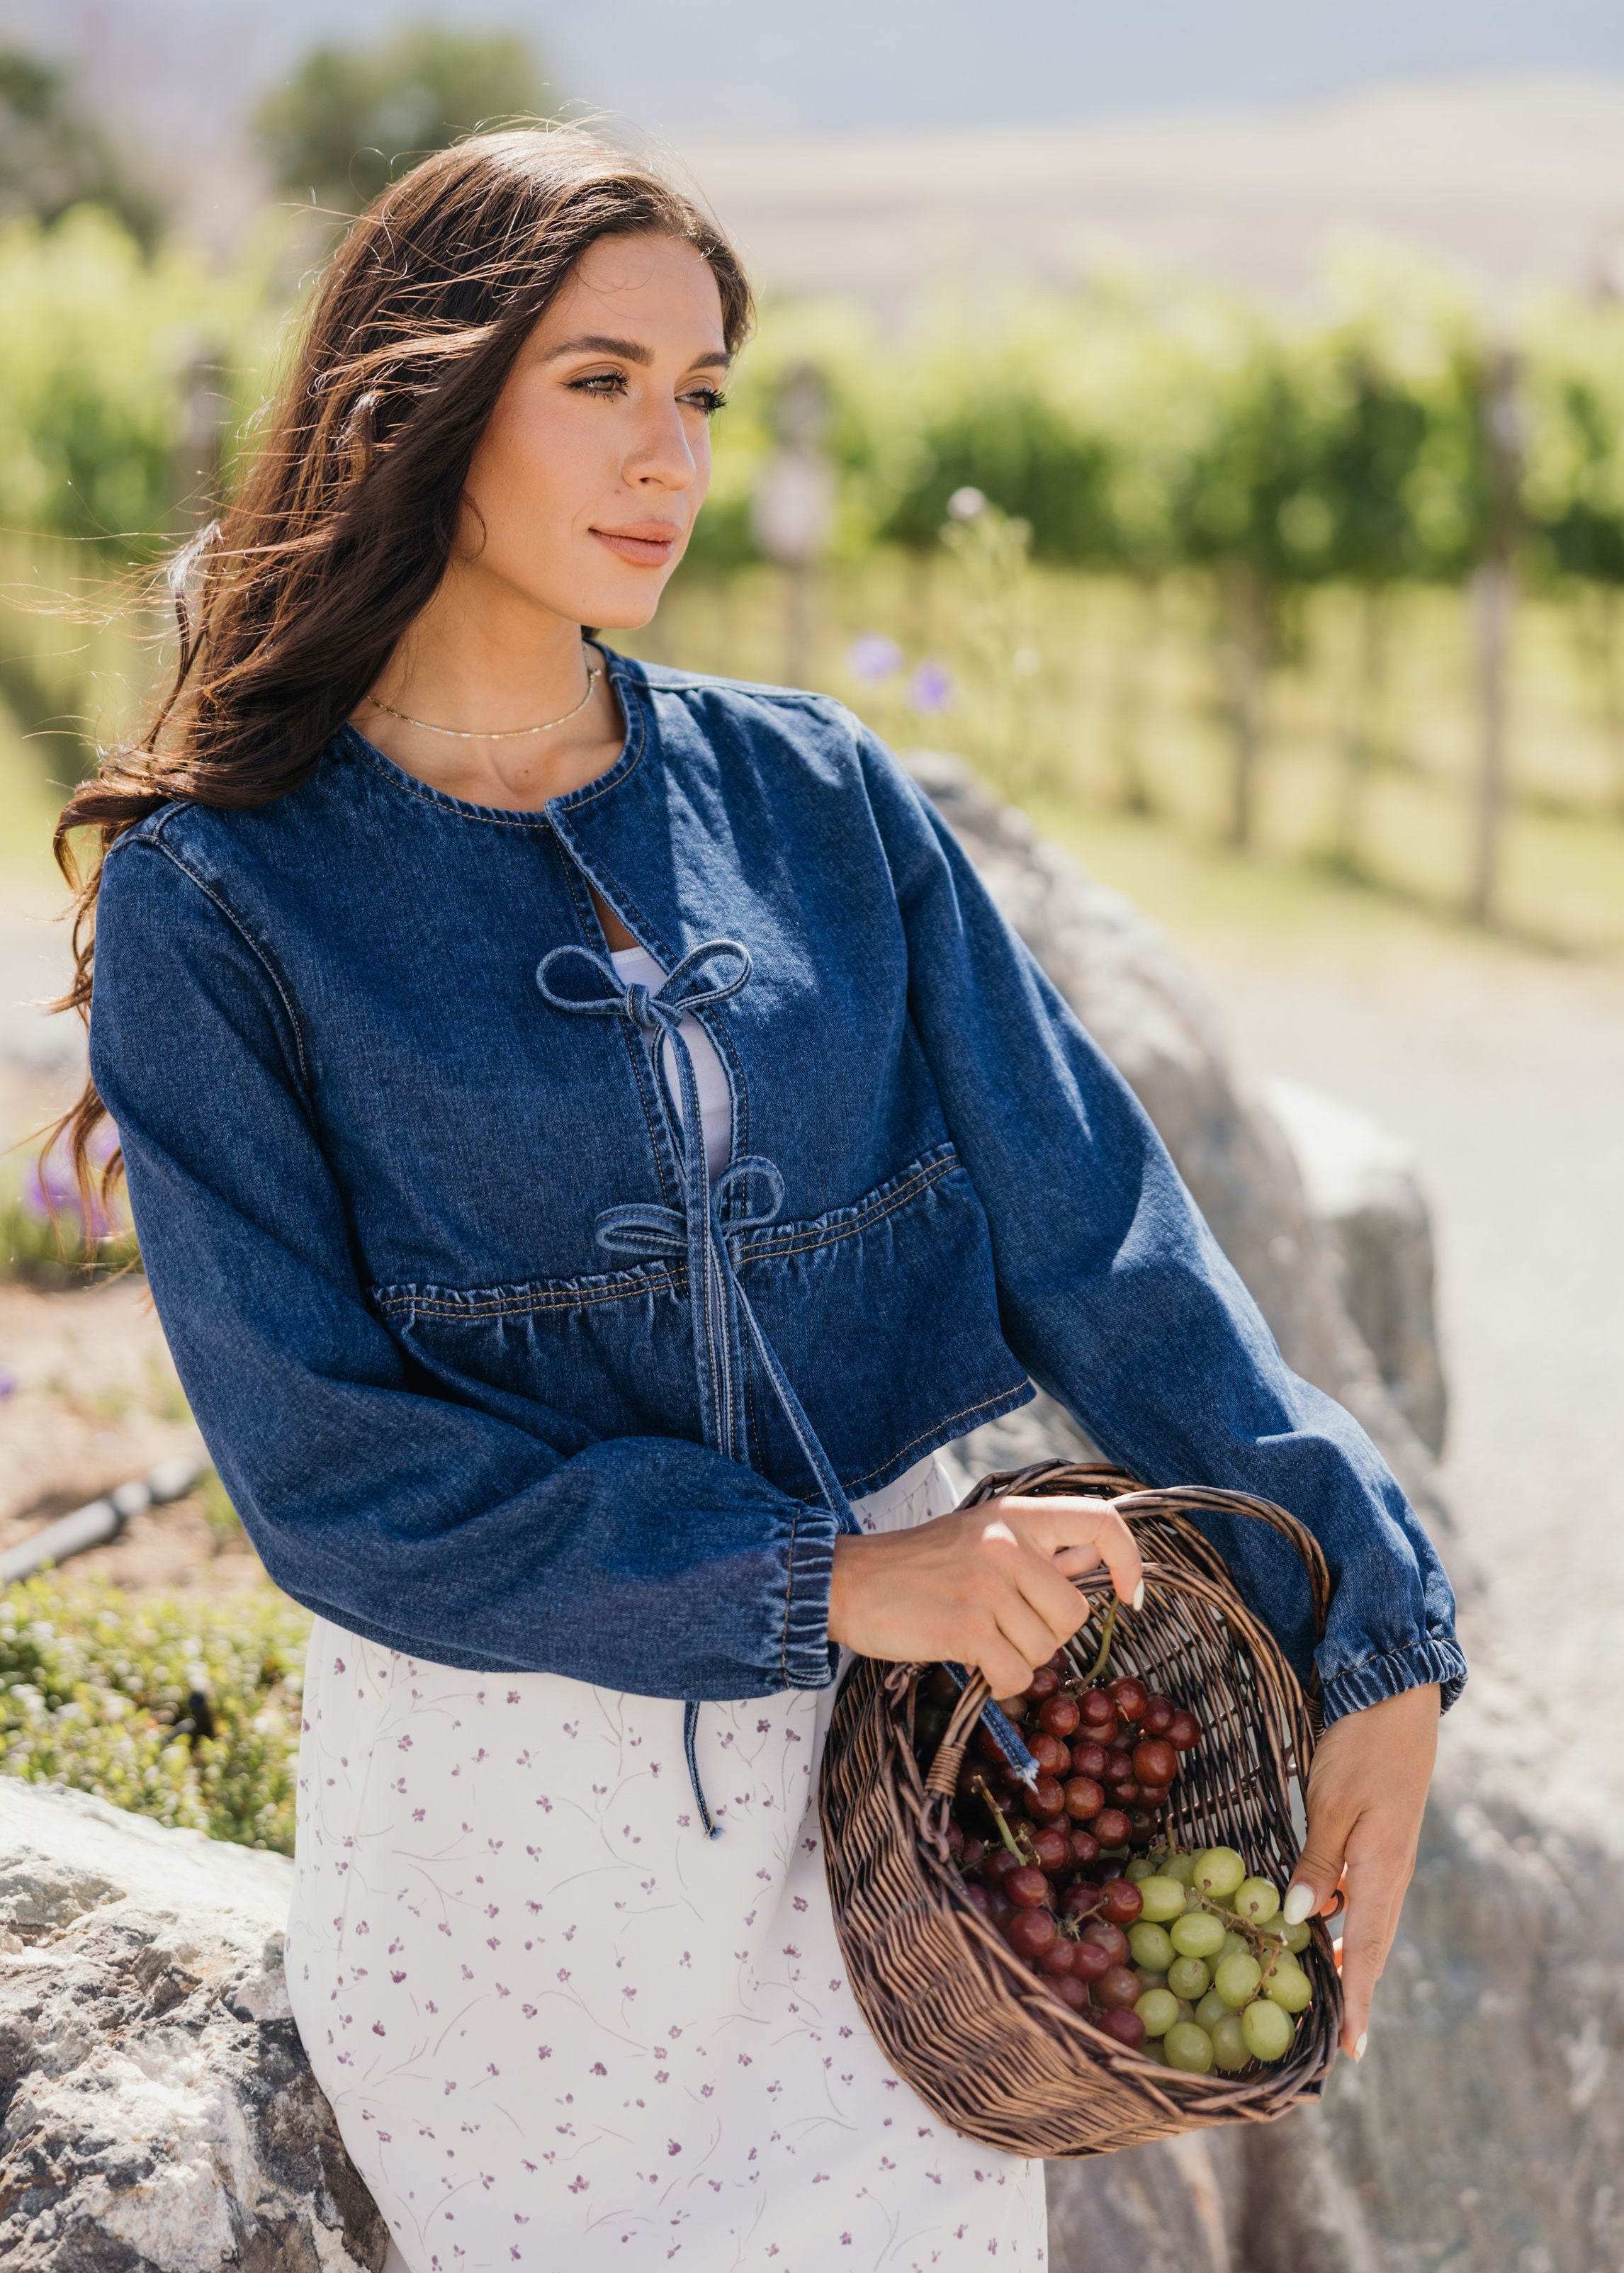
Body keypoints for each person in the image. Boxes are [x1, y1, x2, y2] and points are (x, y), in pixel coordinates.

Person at [59, 127, 1463, 2273]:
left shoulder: (816, 796)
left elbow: (1095, 1230)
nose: (671, 455)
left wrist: (1369, 1621)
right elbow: (335, 1482)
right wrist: (837, 1579)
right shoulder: (224, 901)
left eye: (699, 392)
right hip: (522, 1843)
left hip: (915, 1833)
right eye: (601, 380)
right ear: (420, 401)